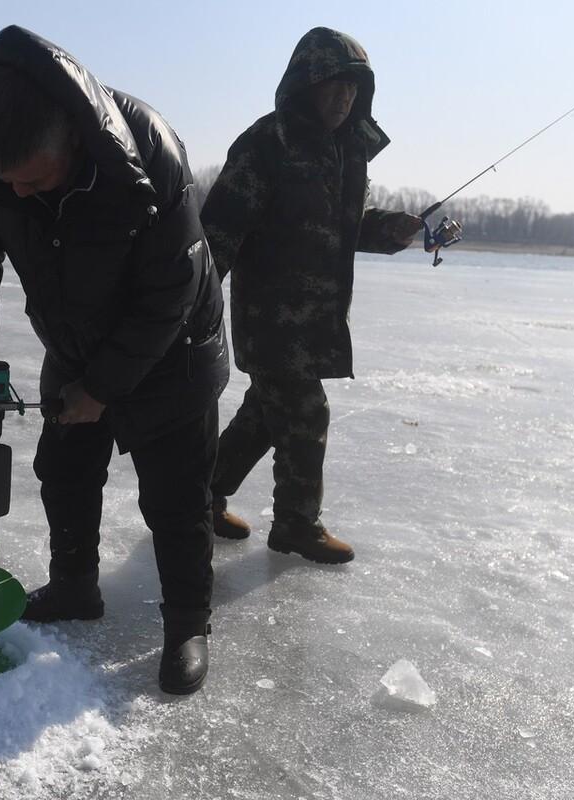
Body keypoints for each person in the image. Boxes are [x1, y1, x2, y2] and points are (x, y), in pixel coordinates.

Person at [0, 26, 229, 695]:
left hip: (175, 344)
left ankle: (188, 623)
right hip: (72, 333)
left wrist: (103, 387)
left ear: (70, 134)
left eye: (33, 181)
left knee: (176, 497)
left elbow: (170, 291)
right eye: (2, 182)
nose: (17, 195)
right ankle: (75, 585)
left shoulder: (148, 152)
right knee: (64, 467)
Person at [201, 27, 422, 564]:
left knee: (265, 414)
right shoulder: (266, 143)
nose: (343, 98)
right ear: (305, 84)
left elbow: (341, 228)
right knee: (304, 412)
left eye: (352, 89)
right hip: (271, 316)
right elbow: (218, 232)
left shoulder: (346, 153)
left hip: (318, 317)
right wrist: (194, 308)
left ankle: (200, 496)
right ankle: (297, 524)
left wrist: (387, 231)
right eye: (331, 86)